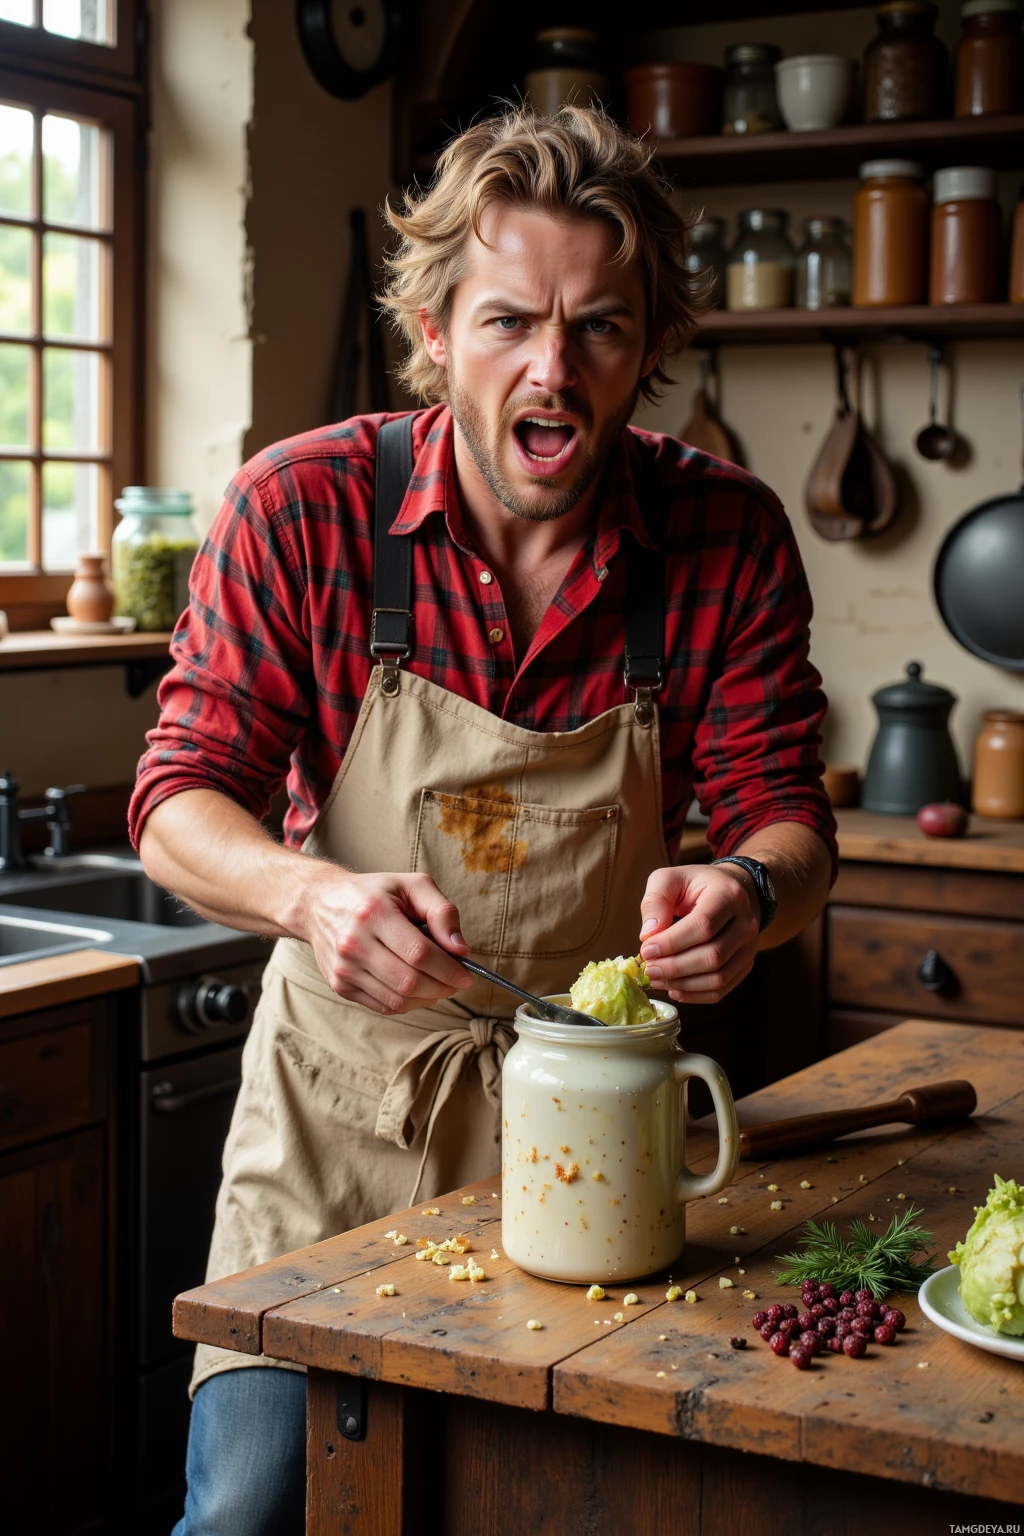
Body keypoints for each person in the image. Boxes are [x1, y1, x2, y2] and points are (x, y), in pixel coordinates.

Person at [132, 105, 836, 1536]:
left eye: (600, 330)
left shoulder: (725, 537)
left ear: (651, 349)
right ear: (437, 329)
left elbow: (787, 819)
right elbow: (174, 801)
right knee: (257, 1514)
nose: (553, 369)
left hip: (592, 1138)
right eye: (511, 319)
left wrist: (748, 899)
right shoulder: (302, 509)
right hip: (339, 1129)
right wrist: (309, 896)